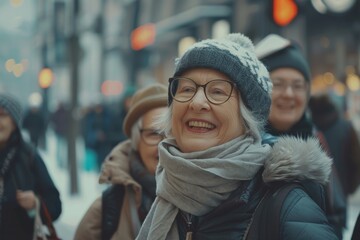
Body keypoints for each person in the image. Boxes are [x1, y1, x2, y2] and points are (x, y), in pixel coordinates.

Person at [136, 33, 337, 239]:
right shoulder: (168, 188)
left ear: (247, 118)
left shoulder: (287, 207)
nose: (197, 102)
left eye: (217, 92)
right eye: (187, 88)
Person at [255, 33, 346, 238]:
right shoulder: (241, 144)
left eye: (297, 86)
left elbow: (336, 215)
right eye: (277, 84)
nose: (288, 93)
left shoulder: (316, 139)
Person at [74, 84, 168, 240]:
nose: (164, 145)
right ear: (136, 140)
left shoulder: (205, 199)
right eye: (154, 134)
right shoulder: (107, 209)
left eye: (171, 133)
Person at [0, 93, 62, 239]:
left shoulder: (28, 156)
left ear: (14, 122)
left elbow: (55, 206)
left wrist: (35, 203)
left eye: (2, 115)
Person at [309, 93, 360, 196]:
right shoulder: (346, 127)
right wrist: (350, 188)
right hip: (341, 192)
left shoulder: (307, 127)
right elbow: (356, 161)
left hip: (311, 194)